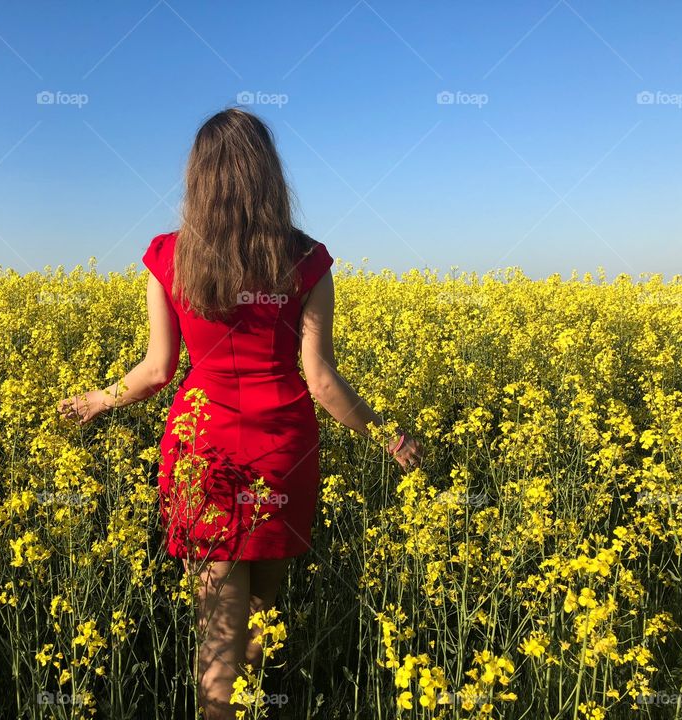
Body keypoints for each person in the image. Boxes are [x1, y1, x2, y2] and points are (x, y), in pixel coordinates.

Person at [58, 107, 424, 719]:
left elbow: (156, 371)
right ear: (269, 175)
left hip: (204, 451)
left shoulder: (170, 257)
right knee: (262, 622)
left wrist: (99, 399)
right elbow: (323, 381)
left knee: (219, 637)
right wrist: (391, 436)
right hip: (281, 451)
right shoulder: (305, 259)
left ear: (199, 178)